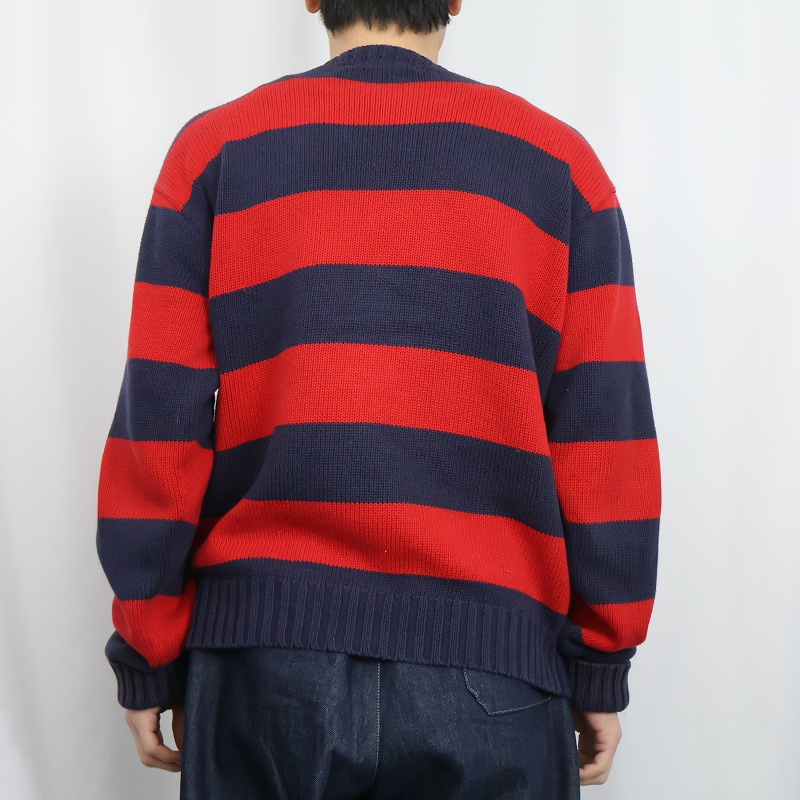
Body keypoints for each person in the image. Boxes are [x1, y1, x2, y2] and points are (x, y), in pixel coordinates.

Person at [95, 1, 661, 797]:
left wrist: (149, 650)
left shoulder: (217, 150)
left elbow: (160, 427)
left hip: (264, 665)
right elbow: (606, 443)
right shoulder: (557, 165)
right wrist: (601, 660)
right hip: (493, 673)